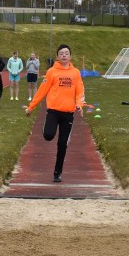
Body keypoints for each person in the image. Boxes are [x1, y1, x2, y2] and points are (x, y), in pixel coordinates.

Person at [25, 44, 86, 182]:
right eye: (61, 53)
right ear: (57, 57)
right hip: (53, 111)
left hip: (68, 113)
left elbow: (80, 91)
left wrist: (79, 105)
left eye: (66, 53)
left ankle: (57, 172)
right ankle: (46, 128)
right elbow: (42, 90)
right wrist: (31, 107)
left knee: (62, 144)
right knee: (48, 135)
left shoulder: (75, 72)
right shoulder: (52, 72)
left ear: (70, 56)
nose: (64, 55)